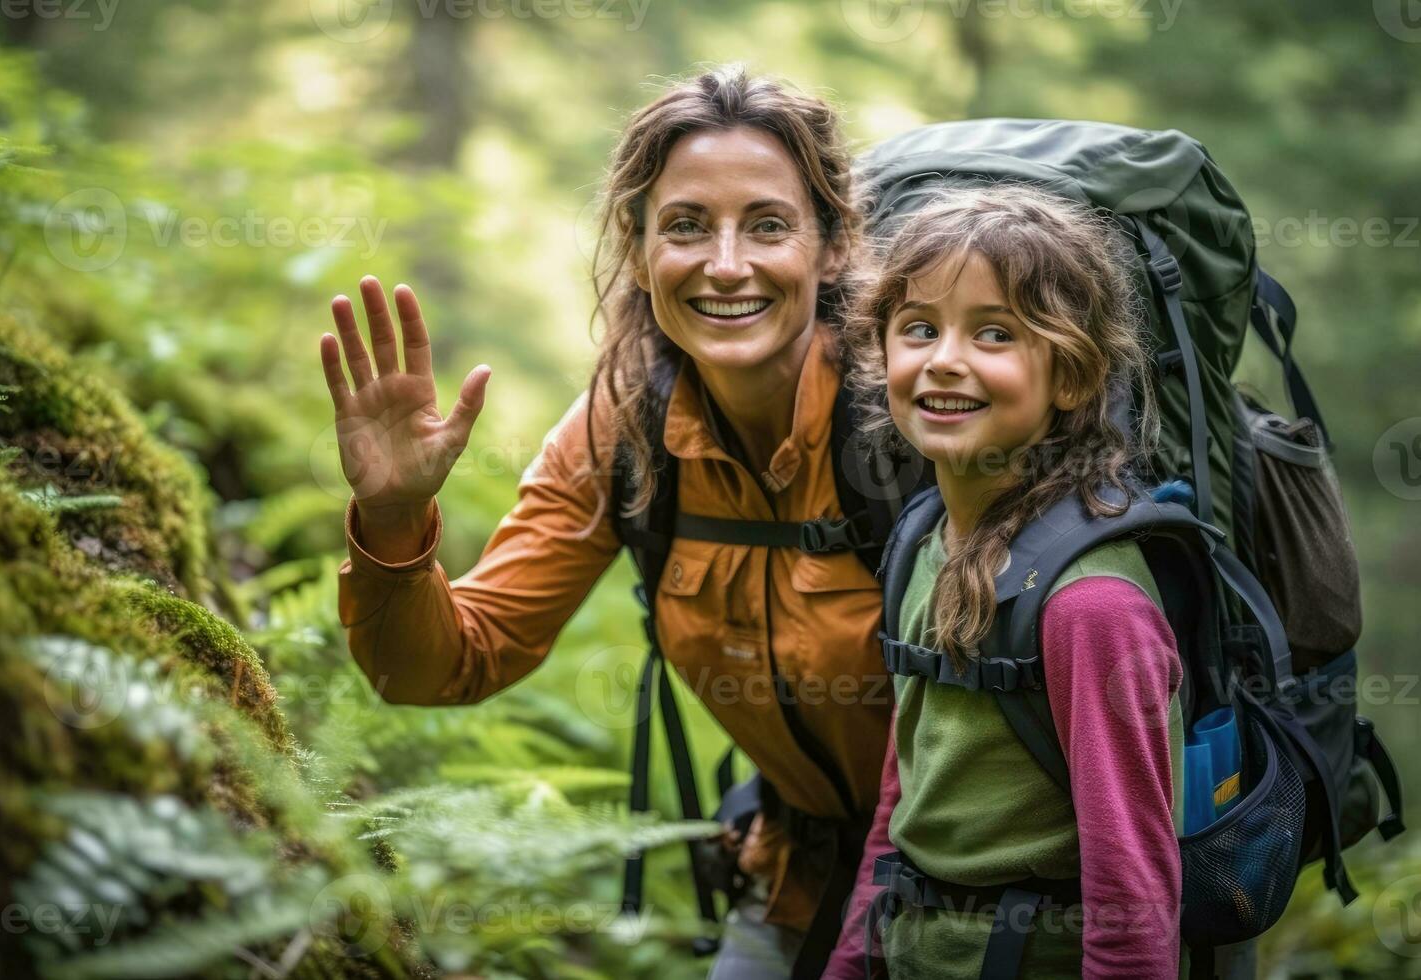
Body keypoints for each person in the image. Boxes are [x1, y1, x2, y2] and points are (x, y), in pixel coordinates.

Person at [317, 65, 895, 979]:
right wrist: (393, 518)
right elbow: (440, 667)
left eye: (770, 225)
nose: (729, 262)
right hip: (799, 879)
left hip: (978, 894)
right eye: (686, 226)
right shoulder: (623, 432)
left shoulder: (917, 417)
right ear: (637, 250)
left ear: (831, 248)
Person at [823, 183, 1184, 978]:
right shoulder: (924, 539)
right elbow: (905, 794)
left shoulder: (1092, 606)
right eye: (918, 328)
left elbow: (1134, 893)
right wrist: (852, 961)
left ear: (1074, 377)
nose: (944, 359)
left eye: (995, 333)